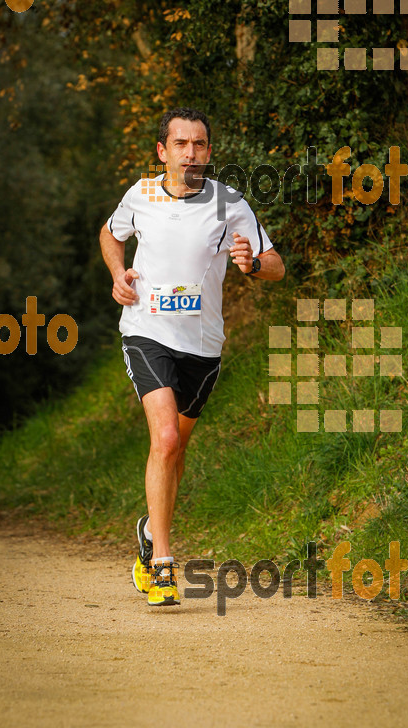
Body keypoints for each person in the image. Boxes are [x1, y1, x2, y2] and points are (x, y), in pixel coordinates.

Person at [99, 107, 285, 606]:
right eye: (181, 144)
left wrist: (251, 264)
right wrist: (118, 273)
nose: (191, 153)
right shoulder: (140, 195)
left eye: (200, 144)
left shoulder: (230, 204)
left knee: (175, 451)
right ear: (163, 151)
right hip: (146, 332)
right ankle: (162, 562)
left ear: (209, 151)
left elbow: (275, 265)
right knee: (162, 437)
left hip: (203, 347)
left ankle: (148, 529)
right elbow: (110, 234)